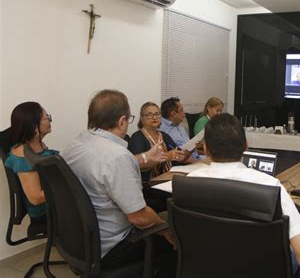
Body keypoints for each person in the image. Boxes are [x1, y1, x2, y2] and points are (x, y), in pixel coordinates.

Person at [183, 113, 300, 276]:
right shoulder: (270, 186)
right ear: (246, 146)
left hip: (206, 267)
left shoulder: (189, 183)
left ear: (205, 149)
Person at [62, 90, 176, 274]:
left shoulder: (77, 143)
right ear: (121, 121)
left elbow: (103, 168)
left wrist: (145, 157)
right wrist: (166, 231)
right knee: (176, 244)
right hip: (112, 247)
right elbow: (139, 218)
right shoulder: (116, 156)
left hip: (79, 239)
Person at [4, 102, 56, 233]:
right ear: (34, 127)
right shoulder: (23, 156)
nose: (49, 121)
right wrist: (68, 189)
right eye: (46, 118)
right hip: (45, 214)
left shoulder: (36, 145)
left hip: (54, 205)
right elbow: (36, 198)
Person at [128, 102, 189, 183]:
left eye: (157, 114)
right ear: (142, 118)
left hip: (167, 178)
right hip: (149, 183)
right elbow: (139, 166)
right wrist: (166, 157)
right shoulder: (137, 137)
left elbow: (179, 157)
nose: (154, 117)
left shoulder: (164, 135)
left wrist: (192, 147)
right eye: (149, 115)